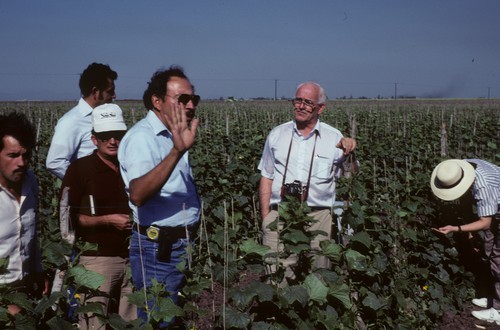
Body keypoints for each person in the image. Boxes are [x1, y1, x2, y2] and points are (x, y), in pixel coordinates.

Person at [118, 65, 201, 325]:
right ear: (157, 101)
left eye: (193, 99)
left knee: (172, 316)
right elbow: (139, 194)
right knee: (157, 320)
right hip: (157, 250)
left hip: (178, 245)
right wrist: (176, 152)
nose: (190, 106)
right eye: (182, 99)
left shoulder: (172, 135)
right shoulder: (143, 138)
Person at [258, 81, 356, 284]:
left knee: (317, 273)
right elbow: (266, 175)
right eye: (298, 100)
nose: (301, 106)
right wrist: (266, 217)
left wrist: (351, 153)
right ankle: (279, 313)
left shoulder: (333, 137)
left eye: (308, 102)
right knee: (275, 272)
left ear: (321, 108)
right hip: (281, 211)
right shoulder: (277, 134)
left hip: (318, 214)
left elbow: (351, 175)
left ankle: (312, 313)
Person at [61, 103, 136, 328]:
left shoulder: (131, 166)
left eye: (117, 135)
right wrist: (107, 220)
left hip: (132, 257)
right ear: (94, 139)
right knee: (93, 323)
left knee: (130, 322)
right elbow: (68, 219)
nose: (112, 141)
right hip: (96, 260)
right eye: (105, 136)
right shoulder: (80, 170)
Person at [431, 159, 500, 324]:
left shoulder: (482, 186)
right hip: (496, 206)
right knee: (488, 252)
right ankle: (494, 297)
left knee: (499, 258)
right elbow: (465, 202)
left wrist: (456, 228)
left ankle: (498, 311)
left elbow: (486, 223)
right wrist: (470, 234)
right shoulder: (462, 168)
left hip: (494, 210)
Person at [0, 112, 49, 316]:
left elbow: (30, 235)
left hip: (25, 284)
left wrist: (38, 271)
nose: (21, 162)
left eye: (26, 155)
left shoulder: (30, 182)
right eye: (12, 155)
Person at [46, 62, 118, 179]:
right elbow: (55, 162)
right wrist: (85, 183)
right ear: (95, 92)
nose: (114, 96)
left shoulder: (109, 115)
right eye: (110, 91)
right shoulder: (71, 121)